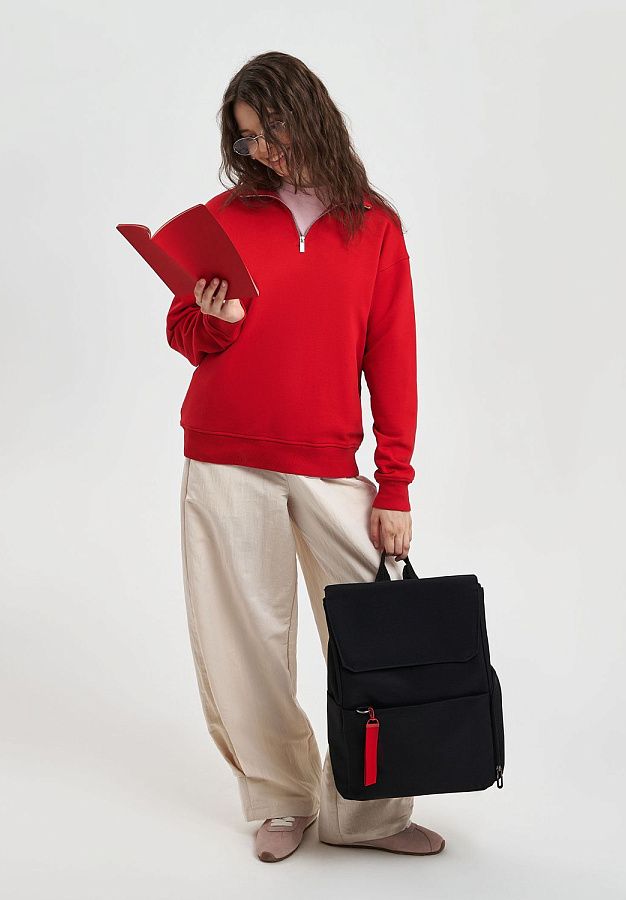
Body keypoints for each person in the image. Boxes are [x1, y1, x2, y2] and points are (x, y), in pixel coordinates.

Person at [165, 51, 444, 862]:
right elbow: (184, 332)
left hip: (328, 461)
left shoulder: (374, 227)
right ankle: (281, 799)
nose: (261, 151)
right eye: (247, 138)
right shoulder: (223, 217)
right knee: (244, 640)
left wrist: (395, 485)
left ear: (309, 114)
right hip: (223, 452)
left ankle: (367, 816)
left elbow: (393, 360)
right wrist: (211, 319)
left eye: (271, 130)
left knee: (377, 639)